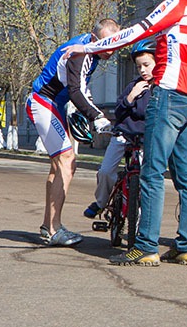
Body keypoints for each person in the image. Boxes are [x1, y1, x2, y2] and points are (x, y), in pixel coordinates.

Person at [68, 0, 187, 266]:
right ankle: (186, 245)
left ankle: (145, 246)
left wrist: (90, 47)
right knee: (186, 176)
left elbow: (137, 31)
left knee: (152, 171)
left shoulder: (176, 4)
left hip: (168, 95)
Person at [27, 18, 121, 247]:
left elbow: (82, 90)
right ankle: (54, 229)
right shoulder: (81, 53)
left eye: (114, 45)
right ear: (93, 37)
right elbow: (76, 91)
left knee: (59, 165)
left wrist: (94, 111)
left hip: (53, 105)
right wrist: (96, 117)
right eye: (106, 44)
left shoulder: (91, 51)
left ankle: (48, 225)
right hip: (43, 102)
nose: (110, 50)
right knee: (67, 162)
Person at [85, 39, 157, 221]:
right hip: (124, 135)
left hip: (148, 139)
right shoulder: (133, 86)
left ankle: (143, 215)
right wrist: (131, 97)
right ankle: (101, 202)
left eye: (147, 65)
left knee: (147, 177)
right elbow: (119, 110)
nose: (143, 70)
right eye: (139, 66)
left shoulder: (163, 88)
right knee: (105, 171)